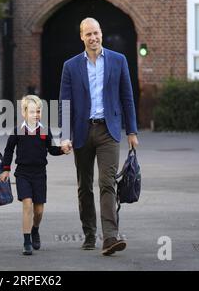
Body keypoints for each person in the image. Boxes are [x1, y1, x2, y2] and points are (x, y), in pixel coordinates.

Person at [59, 18, 139, 256]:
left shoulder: (118, 60)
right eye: (88, 34)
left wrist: (132, 131)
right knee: (84, 186)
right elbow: (64, 104)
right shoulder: (70, 66)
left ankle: (110, 238)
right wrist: (64, 136)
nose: (93, 38)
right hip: (82, 131)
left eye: (96, 33)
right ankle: (90, 233)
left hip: (109, 131)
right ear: (81, 37)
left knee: (107, 182)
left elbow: (127, 97)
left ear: (101, 34)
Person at [0, 95, 71, 255]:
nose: (36, 115)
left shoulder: (44, 131)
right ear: (24, 113)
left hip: (39, 174)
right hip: (23, 174)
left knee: (38, 210)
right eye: (32, 112)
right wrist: (6, 169)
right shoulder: (18, 131)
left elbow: (52, 150)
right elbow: (9, 150)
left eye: (38, 111)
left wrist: (62, 149)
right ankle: (26, 242)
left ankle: (35, 229)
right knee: (27, 203)